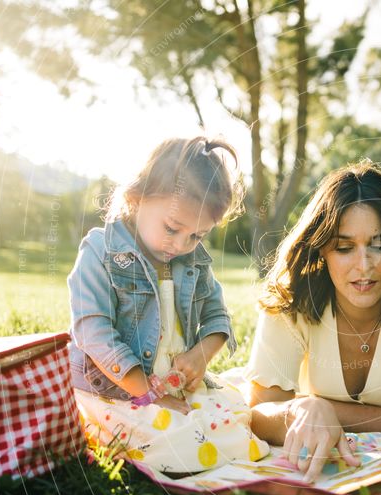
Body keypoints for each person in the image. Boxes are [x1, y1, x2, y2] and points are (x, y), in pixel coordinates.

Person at [67, 136, 270, 473]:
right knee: (178, 442)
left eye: (197, 236)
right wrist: (148, 393)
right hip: (118, 392)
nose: (181, 245)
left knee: (237, 419)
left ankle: (201, 440)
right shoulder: (101, 251)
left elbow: (218, 318)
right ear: (137, 198)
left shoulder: (193, 262)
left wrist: (200, 357)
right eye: (173, 229)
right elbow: (92, 330)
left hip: (173, 388)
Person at [237, 160, 381, 481]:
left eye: (380, 244)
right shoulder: (288, 299)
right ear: (322, 249)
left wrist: (317, 406)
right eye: (344, 247)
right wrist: (296, 411)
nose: (364, 265)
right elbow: (257, 414)